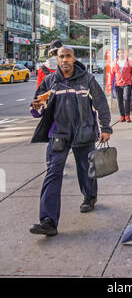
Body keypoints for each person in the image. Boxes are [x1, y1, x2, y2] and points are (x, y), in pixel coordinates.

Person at [29, 46, 112, 236]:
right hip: (58, 134)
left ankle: (89, 196)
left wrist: (106, 128)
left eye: (68, 56)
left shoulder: (87, 80)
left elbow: (101, 104)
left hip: (84, 132)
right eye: (61, 57)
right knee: (52, 173)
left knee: (85, 168)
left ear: (74, 59)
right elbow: (38, 109)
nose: (64, 59)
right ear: (57, 60)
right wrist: (35, 107)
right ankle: (48, 221)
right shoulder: (51, 81)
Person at [108, 48, 132, 123]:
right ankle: (122, 115)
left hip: (127, 83)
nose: (121, 54)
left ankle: (127, 115)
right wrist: (109, 84)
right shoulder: (114, 63)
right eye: (119, 53)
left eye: (122, 53)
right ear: (117, 54)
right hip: (117, 84)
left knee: (126, 98)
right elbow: (111, 74)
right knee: (120, 100)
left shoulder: (129, 62)